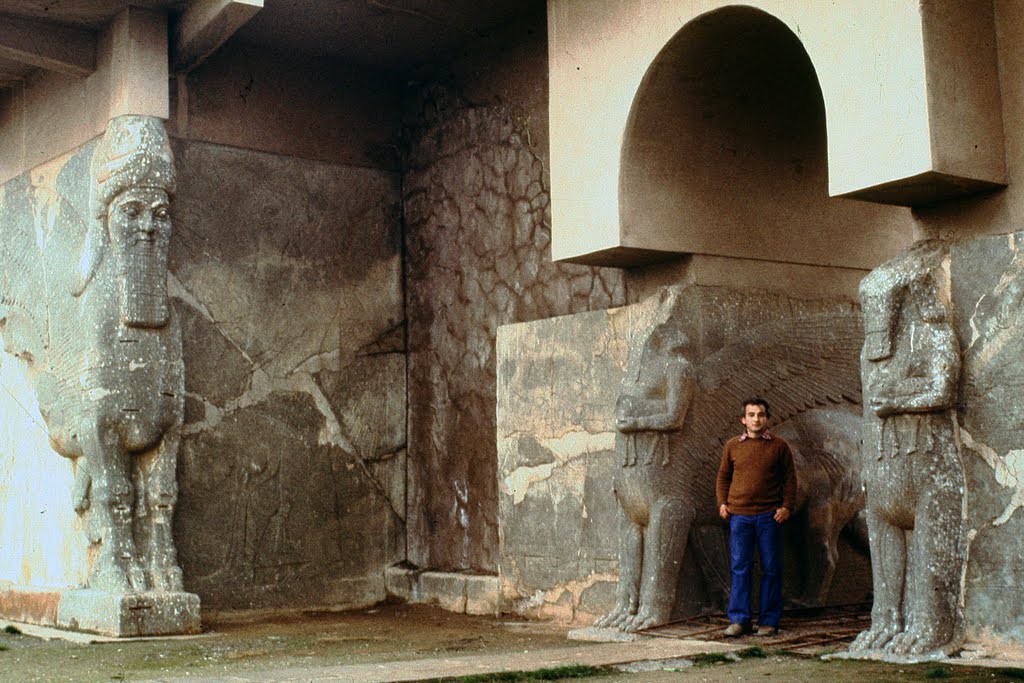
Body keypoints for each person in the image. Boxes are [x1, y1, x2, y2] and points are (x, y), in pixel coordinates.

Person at [716, 398, 796, 637]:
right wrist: (722, 503)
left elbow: (790, 479)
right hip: (739, 516)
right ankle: (739, 620)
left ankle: (769, 621)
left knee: (771, 568)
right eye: (751, 415)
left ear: (767, 419)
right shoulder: (733, 446)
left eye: (761, 414)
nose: (756, 419)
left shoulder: (779, 446)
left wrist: (786, 506)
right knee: (740, 567)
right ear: (743, 419)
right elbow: (723, 477)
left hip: (769, 517)